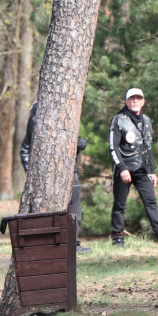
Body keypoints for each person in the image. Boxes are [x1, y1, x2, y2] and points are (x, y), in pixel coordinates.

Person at [109, 87, 158, 247]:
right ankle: (118, 237)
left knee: (151, 202)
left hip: (142, 170)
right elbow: (113, 147)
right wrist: (122, 168)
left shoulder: (146, 121)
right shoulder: (118, 119)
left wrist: (152, 171)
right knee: (120, 204)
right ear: (126, 101)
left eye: (138, 98)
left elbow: (148, 148)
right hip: (124, 169)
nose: (135, 101)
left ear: (143, 101)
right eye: (132, 98)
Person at [20, 102, 91, 253]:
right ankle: (53, 245)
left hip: (71, 173)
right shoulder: (35, 121)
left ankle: (73, 244)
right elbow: (25, 148)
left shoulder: (64, 117)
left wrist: (79, 142)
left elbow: (79, 142)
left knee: (74, 210)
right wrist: (29, 170)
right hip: (48, 176)